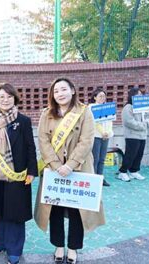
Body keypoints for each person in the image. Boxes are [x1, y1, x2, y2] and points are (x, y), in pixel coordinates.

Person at [35, 78, 105, 264]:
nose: (60, 93)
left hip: (79, 168)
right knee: (55, 209)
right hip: (54, 170)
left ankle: (73, 248)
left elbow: (87, 140)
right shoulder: (46, 114)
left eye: (64, 89)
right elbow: (43, 140)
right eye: (56, 91)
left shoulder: (84, 112)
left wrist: (70, 164)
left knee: (77, 210)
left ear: (73, 90)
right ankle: (58, 246)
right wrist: (57, 165)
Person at [0, 83, 37, 264]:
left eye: (9, 96)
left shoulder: (24, 121)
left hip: (17, 173)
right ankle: (0, 242)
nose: (5, 100)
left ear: (14, 98)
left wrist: (32, 171)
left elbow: (30, 148)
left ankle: (14, 248)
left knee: (15, 211)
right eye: (1, 96)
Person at [117, 87, 149, 182]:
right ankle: (122, 172)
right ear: (132, 96)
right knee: (130, 154)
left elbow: (147, 118)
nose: (140, 97)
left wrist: (147, 120)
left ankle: (134, 170)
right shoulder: (128, 107)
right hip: (132, 135)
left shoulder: (143, 107)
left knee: (139, 154)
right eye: (138, 95)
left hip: (142, 135)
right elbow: (129, 122)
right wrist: (143, 125)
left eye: (141, 95)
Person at [89, 88, 113, 187]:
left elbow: (110, 121)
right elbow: (95, 122)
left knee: (102, 159)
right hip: (96, 136)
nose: (103, 98)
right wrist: (102, 132)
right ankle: (94, 179)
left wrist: (107, 132)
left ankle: (100, 178)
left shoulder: (107, 107)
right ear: (95, 97)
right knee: (95, 158)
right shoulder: (91, 107)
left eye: (104, 96)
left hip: (106, 136)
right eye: (100, 96)